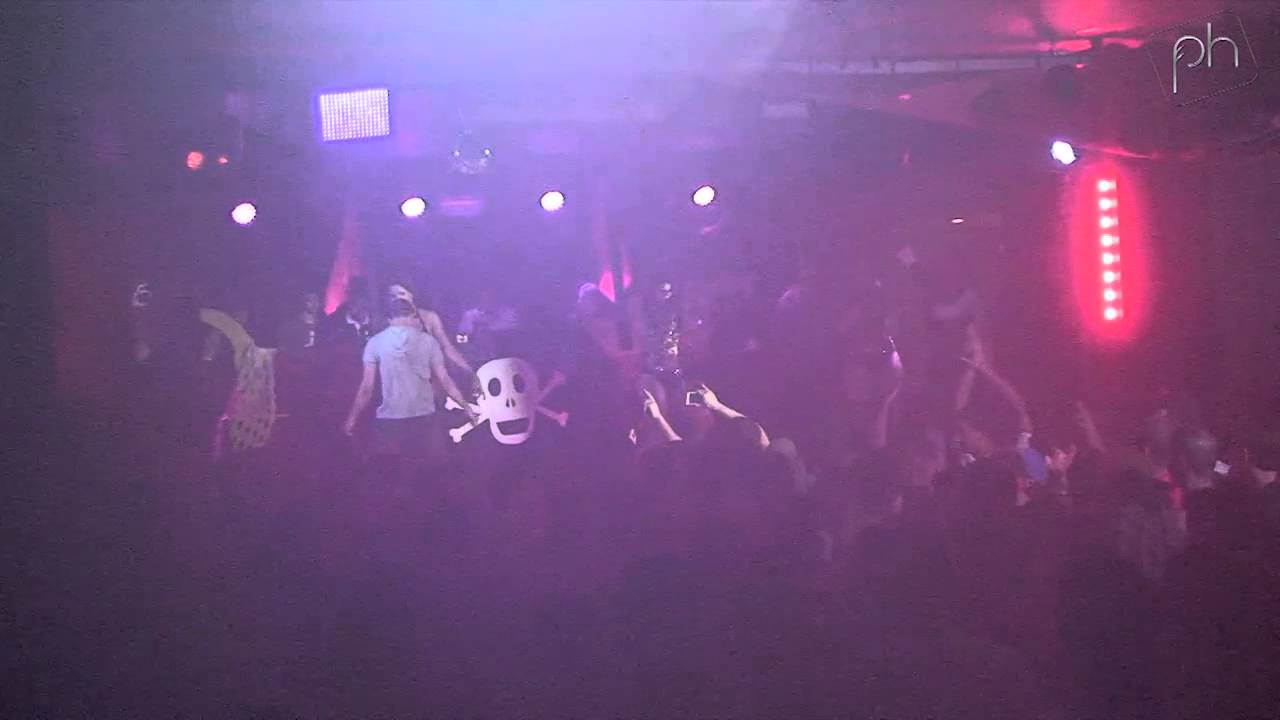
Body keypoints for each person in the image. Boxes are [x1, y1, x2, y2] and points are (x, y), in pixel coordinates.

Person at [342, 298, 476, 469]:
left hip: (390, 421)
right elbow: (445, 380)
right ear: (413, 316)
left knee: (390, 474)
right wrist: (465, 406)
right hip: (424, 419)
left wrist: (352, 418)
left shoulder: (374, 343)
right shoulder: (429, 342)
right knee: (431, 472)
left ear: (389, 319)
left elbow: (366, 389)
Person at [387, 282, 476, 379]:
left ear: (411, 295)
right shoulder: (387, 323)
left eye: (401, 294)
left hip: (433, 377)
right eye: (393, 296)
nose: (398, 298)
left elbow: (447, 348)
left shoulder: (429, 317)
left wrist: (469, 371)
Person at [324, 276, 375, 347]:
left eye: (358, 296)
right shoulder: (332, 324)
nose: (352, 300)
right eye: (351, 295)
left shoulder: (379, 325)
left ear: (366, 299)